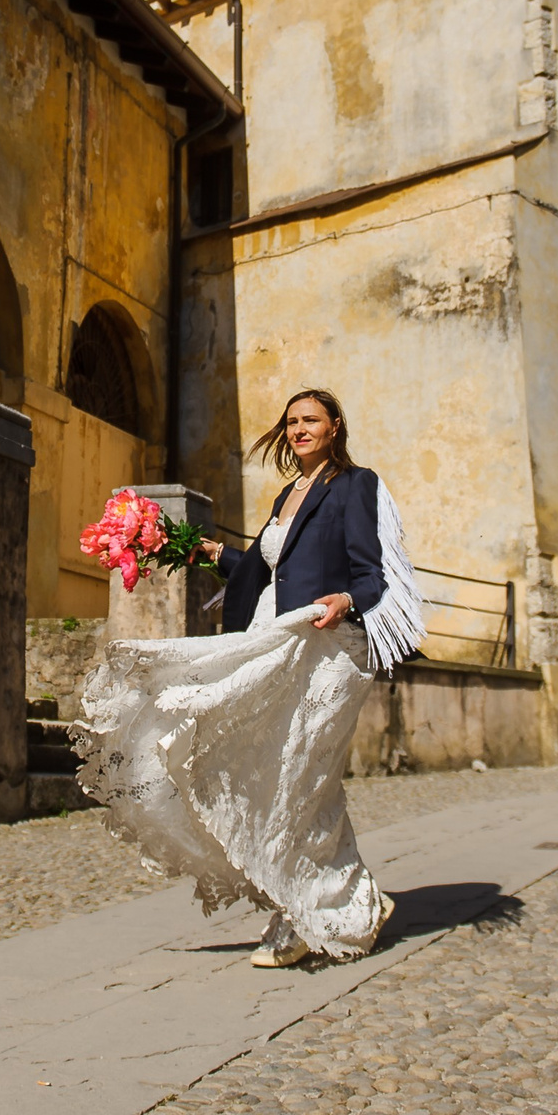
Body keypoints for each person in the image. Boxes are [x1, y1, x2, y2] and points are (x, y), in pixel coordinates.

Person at [75, 387, 427, 967]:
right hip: (274, 642)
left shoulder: (355, 484)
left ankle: (302, 916)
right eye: (291, 421)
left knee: (298, 780)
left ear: (335, 426)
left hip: (328, 651)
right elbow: (266, 572)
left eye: (310, 419)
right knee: (273, 775)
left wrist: (346, 600)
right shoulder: (288, 494)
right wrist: (203, 550)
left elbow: (372, 575)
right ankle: (349, 899)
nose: (298, 429)